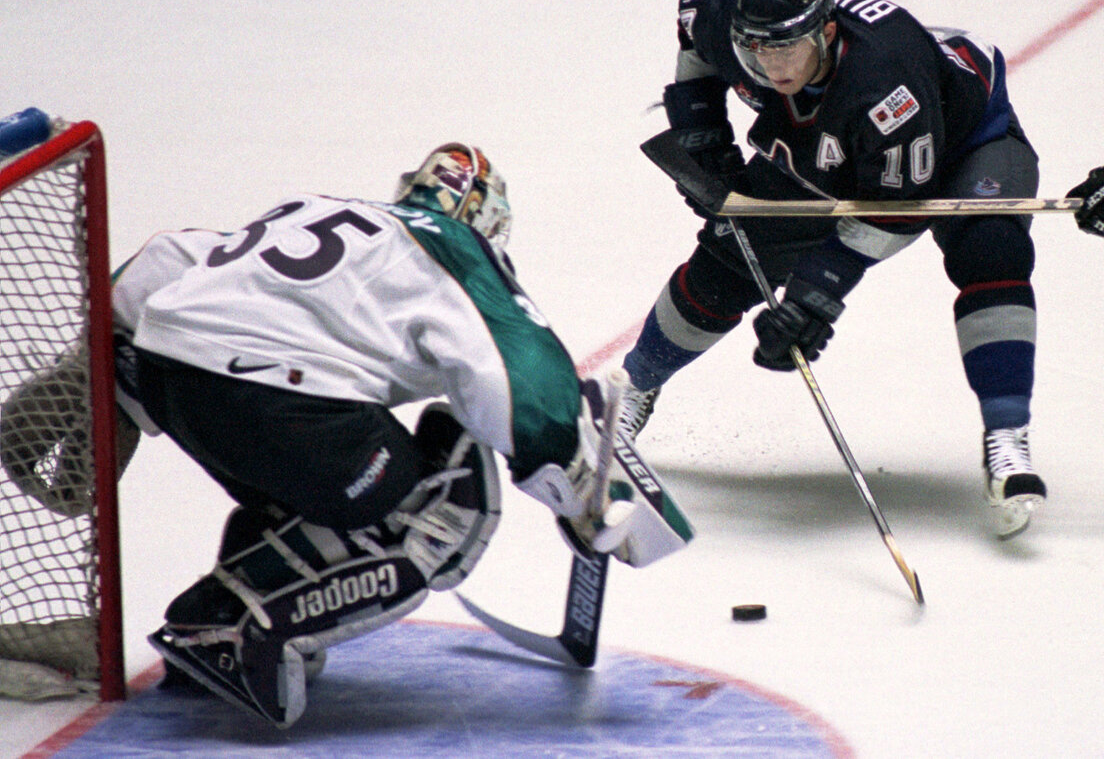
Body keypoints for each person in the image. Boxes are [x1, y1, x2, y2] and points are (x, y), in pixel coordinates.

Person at [101, 143, 691, 727]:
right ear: (486, 221)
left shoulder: (318, 210)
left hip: (166, 374)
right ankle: (233, 631)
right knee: (436, 503)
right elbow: (514, 375)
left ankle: (214, 611)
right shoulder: (452, 244)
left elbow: (161, 261)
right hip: (272, 400)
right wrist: (578, 485)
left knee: (340, 467)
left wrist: (97, 378)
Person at [619, 0, 1048, 537]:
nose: (770, 66)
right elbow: (692, 36)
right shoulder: (731, 15)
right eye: (757, 51)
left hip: (960, 142)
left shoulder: (889, 80)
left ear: (825, 31)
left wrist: (816, 292)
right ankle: (630, 391)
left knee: (991, 250)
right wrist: (702, 133)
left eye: (785, 50)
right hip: (831, 141)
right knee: (727, 261)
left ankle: (1006, 438)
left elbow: (891, 212)